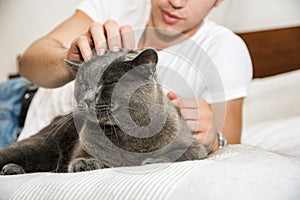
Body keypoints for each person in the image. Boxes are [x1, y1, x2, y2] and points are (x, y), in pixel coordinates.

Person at [18, 0, 252, 154]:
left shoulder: (224, 49)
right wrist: (71, 63)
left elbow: (229, 143)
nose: (176, 3)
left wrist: (213, 139)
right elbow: (27, 63)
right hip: (20, 109)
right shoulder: (117, 5)